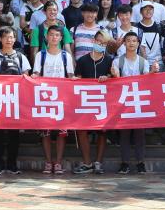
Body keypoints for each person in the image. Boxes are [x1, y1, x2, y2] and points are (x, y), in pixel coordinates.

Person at [0, 26, 31, 174]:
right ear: (0, 39)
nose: (8, 40)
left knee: (14, 133)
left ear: (15, 39)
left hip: (15, 100)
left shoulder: (21, 57)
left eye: (11, 37)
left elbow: (26, 77)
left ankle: (12, 164)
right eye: (5, 37)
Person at [73, 29, 117, 175]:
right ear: (93, 41)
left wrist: (109, 77)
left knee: (102, 131)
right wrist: (75, 80)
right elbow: (77, 79)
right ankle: (87, 163)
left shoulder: (109, 60)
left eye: (104, 43)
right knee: (81, 130)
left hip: (103, 102)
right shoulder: (82, 60)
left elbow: (115, 79)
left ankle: (98, 162)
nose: (101, 45)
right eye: (99, 42)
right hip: (85, 101)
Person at [32, 25, 74, 175]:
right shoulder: (40, 55)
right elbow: (36, 73)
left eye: (57, 35)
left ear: (61, 38)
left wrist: (74, 79)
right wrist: (33, 77)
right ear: (46, 37)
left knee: (62, 132)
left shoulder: (66, 56)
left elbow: (70, 75)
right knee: (46, 132)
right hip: (45, 97)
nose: (54, 37)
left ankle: (58, 162)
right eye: (51, 34)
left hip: (62, 98)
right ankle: (48, 162)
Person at [115, 31, 156, 175]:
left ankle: (140, 162)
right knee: (124, 134)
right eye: (128, 41)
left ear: (138, 44)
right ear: (124, 43)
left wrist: (152, 72)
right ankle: (124, 163)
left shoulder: (143, 62)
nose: (131, 43)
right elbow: (115, 81)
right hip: (123, 102)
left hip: (139, 101)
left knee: (140, 134)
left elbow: (146, 79)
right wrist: (115, 75)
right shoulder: (117, 61)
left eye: (134, 41)